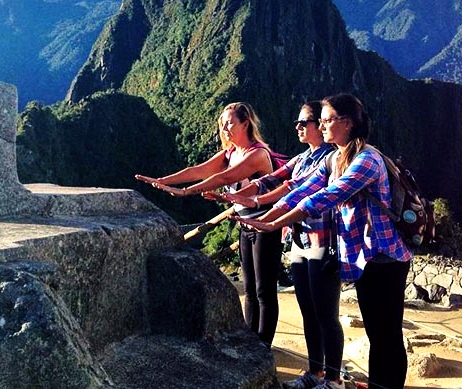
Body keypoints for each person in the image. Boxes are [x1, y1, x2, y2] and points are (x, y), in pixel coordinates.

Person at [235, 93, 412, 389]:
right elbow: (303, 189)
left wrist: (274, 223)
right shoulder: (333, 158)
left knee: (386, 333)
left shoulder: (367, 159)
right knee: (374, 330)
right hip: (365, 259)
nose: (323, 125)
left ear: (347, 123)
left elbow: (328, 196)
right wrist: (265, 214)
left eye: (328, 120)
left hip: (387, 258)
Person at [212, 100, 340, 389]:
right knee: (308, 309)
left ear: (319, 124)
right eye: (298, 122)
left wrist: (266, 218)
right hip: (300, 239)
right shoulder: (303, 158)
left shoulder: (331, 158)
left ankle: (333, 379)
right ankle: (315, 372)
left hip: (323, 240)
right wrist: (241, 198)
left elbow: (298, 193)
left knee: (325, 314)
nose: (298, 127)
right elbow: (272, 181)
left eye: (304, 122)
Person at [135, 101, 280, 345]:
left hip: (265, 225)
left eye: (230, 123)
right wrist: (162, 181)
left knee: (264, 290)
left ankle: (263, 345)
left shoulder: (257, 154)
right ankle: (251, 340)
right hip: (245, 224)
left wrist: (185, 193)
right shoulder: (231, 153)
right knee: (250, 289)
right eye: (222, 123)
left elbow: (223, 177)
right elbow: (198, 170)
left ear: (246, 123)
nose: (225, 128)